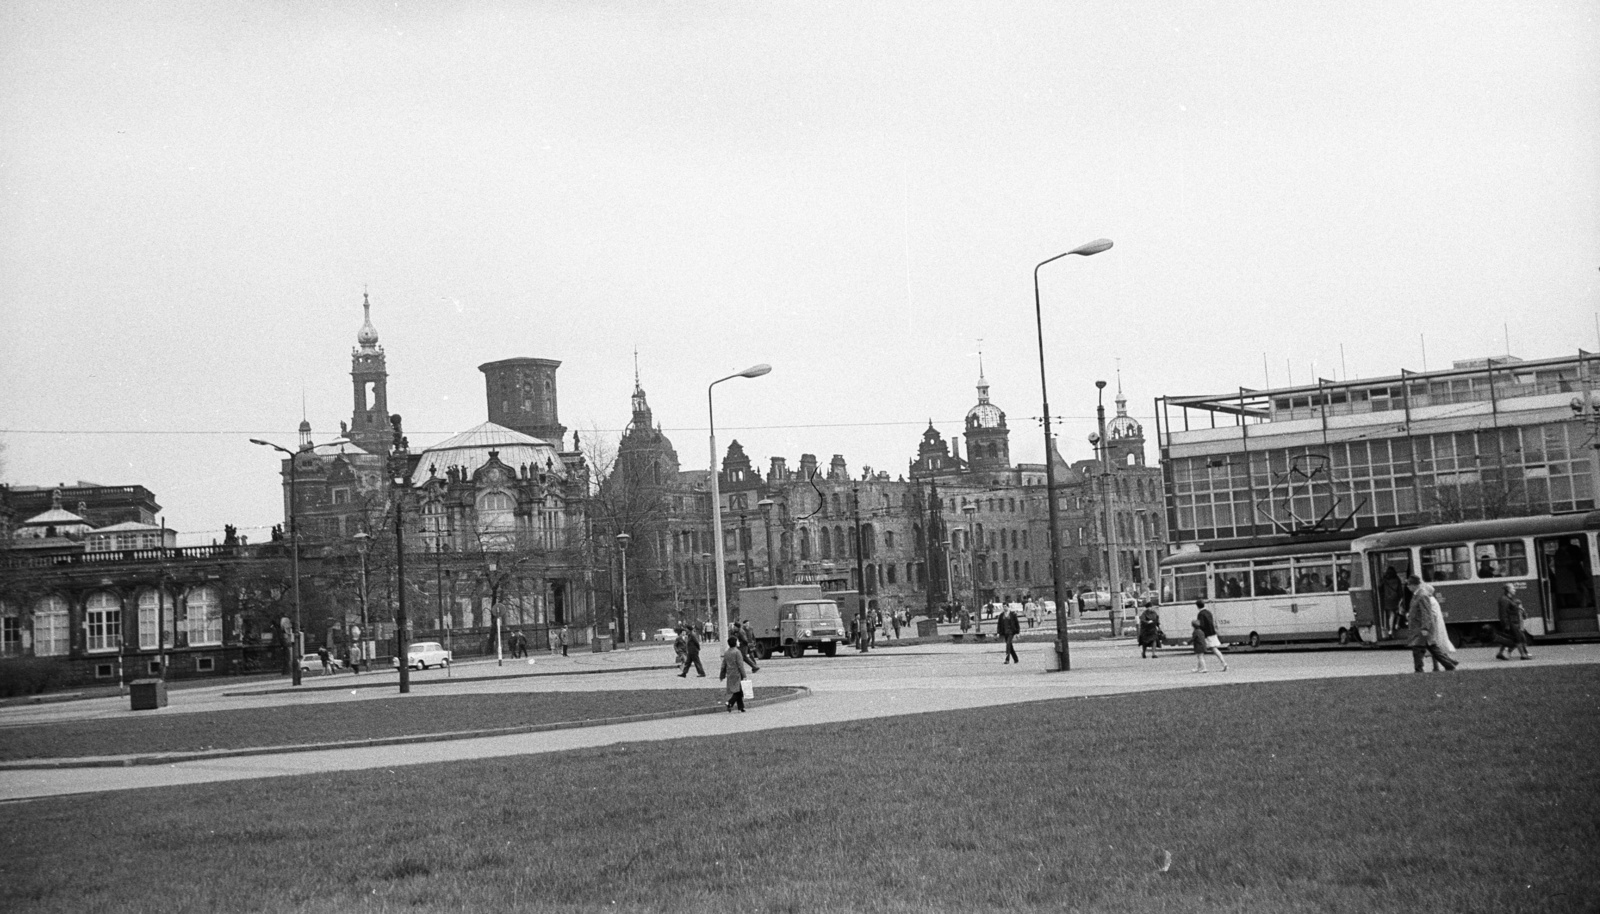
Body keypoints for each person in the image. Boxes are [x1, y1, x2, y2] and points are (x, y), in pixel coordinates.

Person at [1405, 574, 1457, 672]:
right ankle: (1449, 665)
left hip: (1421, 628)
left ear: (1414, 585)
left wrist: (1425, 628)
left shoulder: (1422, 595)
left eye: (1409, 585)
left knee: (1418, 649)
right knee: (1433, 648)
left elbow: (1426, 613)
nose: (1408, 587)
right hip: (1418, 627)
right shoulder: (1417, 595)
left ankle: (1419, 669)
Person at [1495, 583, 1533, 661]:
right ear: (1508, 590)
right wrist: (1506, 625)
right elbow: (1503, 613)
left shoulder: (1509, 599)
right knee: (1518, 638)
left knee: (1512, 639)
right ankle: (1523, 655)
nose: (1514, 590)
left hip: (1514, 622)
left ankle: (1500, 653)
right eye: (1513, 588)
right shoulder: (1504, 600)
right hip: (1511, 623)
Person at [718, 635, 752, 712]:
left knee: (738, 690)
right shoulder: (737, 652)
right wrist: (744, 675)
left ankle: (741, 707)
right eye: (737, 641)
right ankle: (729, 703)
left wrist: (722, 675)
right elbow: (740, 665)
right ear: (735, 643)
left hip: (730, 674)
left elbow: (724, 664)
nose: (738, 642)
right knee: (739, 690)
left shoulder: (727, 652)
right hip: (737, 674)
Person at [1194, 599, 1227, 671]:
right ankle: (1223, 663)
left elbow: (1201, 625)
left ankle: (1201, 668)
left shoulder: (1200, 614)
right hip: (1212, 633)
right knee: (1214, 649)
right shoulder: (1208, 612)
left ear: (1197, 606)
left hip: (1206, 634)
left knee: (1200, 652)